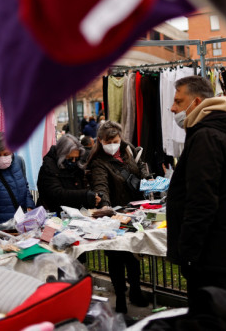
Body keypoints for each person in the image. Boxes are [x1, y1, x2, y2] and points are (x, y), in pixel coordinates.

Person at [168, 75, 226, 302]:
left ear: (196, 102)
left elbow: (202, 200)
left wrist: (188, 253)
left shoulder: (207, 136)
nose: (172, 108)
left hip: (210, 257)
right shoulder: (220, 130)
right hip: (223, 252)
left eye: (178, 101)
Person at [88, 121, 149, 313]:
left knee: (132, 257)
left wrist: (148, 182)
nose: (113, 144)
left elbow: (138, 173)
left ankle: (136, 291)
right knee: (117, 257)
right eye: (109, 141)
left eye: (115, 140)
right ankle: (121, 297)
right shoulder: (98, 161)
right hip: (113, 216)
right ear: (100, 140)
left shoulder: (128, 152)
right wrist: (106, 207)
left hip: (133, 212)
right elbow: (100, 185)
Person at [37, 134, 100, 214]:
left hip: (73, 215)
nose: (74, 161)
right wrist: (85, 195)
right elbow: (56, 193)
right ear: (61, 154)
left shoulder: (77, 166)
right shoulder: (48, 167)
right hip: (53, 214)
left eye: (76, 158)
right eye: (70, 158)